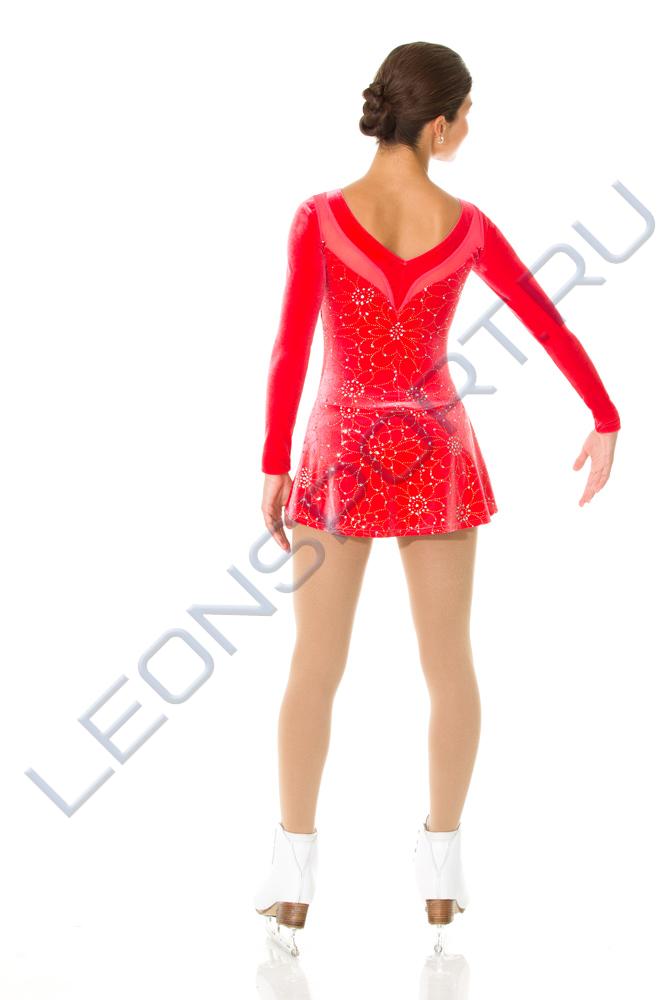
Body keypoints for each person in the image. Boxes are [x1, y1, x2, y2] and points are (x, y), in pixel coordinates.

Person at [254, 41, 620, 957]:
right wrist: (604, 412)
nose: (468, 129)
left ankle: (291, 881)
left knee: (313, 668)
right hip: (433, 451)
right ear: (442, 124)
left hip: (339, 452)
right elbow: (544, 321)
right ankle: (442, 877)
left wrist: (272, 463)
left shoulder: (320, 217)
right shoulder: (466, 224)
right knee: (449, 666)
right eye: (468, 115)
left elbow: (290, 349)